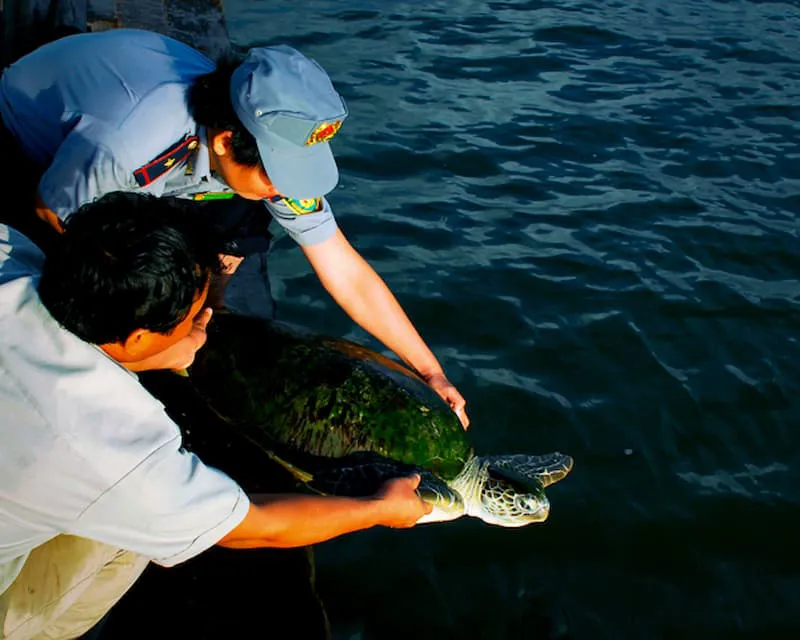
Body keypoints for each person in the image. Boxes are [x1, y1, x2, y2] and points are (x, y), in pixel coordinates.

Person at [0, 192, 431, 640]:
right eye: (194, 318)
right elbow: (252, 527)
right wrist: (379, 508)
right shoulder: (117, 448)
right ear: (137, 339)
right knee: (131, 539)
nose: (208, 320)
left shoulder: (10, 254)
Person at [0, 26, 471, 428]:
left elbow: (343, 267)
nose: (288, 189)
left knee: (220, 304)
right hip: (34, 147)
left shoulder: (253, 146)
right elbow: (55, 218)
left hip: (180, 170)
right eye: (279, 173)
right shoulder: (128, 142)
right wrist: (149, 351)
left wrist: (430, 372)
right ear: (227, 141)